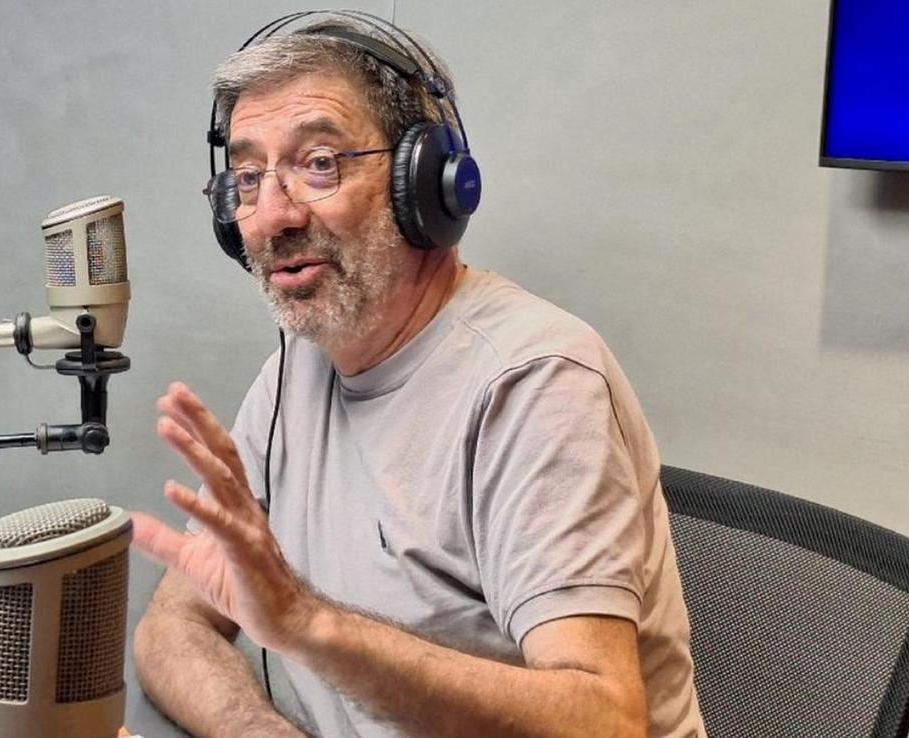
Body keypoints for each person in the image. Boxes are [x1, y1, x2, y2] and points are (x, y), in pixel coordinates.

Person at [131, 12, 704, 738]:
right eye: (247, 178)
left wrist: (308, 624)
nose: (272, 216)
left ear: (426, 185)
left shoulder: (533, 383)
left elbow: (605, 721)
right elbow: (173, 627)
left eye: (319, 164)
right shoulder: (293, 375)